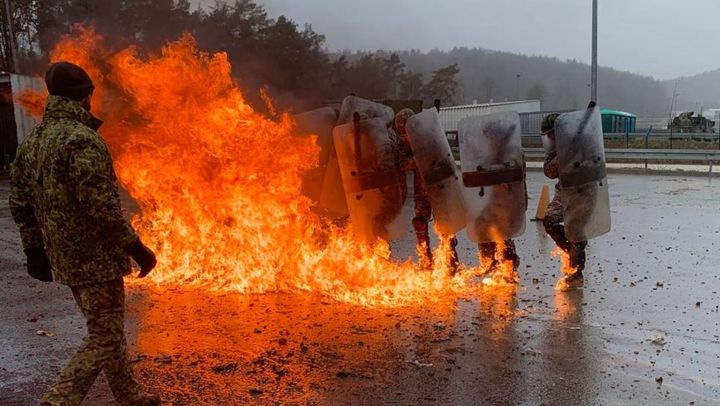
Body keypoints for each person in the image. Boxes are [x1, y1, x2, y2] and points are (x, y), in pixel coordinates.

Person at [9, 62, 160, 406]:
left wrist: (34, 249)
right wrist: (135, 247)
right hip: (95, 259)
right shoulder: (82, 140)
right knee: (103, 336)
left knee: (106, 329)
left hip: (64, 258)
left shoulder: (34, 140)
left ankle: (130, 397)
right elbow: (101, 207)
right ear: (85, 96)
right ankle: (57, 400)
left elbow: (19, 201)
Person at [390, 108, 459, 271]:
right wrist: (420, 157)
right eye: (402, 133)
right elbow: (403, 164)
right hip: (422, 191)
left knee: (445, 223)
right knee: (420, 222)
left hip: (440, 187)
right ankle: (426, 258)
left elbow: (445, 159)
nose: (405, 137)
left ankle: (450, 257)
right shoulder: (403, 145)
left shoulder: (429, 136)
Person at [541, 113, 587, 290]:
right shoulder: (554, 150)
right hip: (563, 192)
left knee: (576, 232)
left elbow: (592, 163)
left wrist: (574, 151)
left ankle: (576, 273)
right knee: (549, 221)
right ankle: (571, 252)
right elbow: (549, 171)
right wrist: (562, 154)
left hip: (583, 191)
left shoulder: (582, 143)